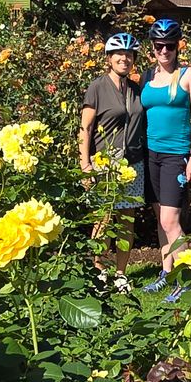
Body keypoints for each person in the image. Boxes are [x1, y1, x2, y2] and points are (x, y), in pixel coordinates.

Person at [140, 19, 191, 302]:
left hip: (176, 156)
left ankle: (187, 278)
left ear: (178, 46)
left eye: (169, 46)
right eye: (158, 46)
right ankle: (166, 272)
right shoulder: (147, 76)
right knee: (159, 218)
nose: (164, 51)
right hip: (150, 155)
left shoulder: (189, 76)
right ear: (152, 47)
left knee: (171, 220)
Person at [79, 32, 145, 293]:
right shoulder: (97, 87)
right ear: (109, 58)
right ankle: (100, 272)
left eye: (129, 54)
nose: (124, 58)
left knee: (127, 220)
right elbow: (85, 128)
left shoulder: (135, 89)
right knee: (104, 220)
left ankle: (121, 274)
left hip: (132, 164)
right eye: (119, 54)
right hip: (105, 162)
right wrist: (85, 165)